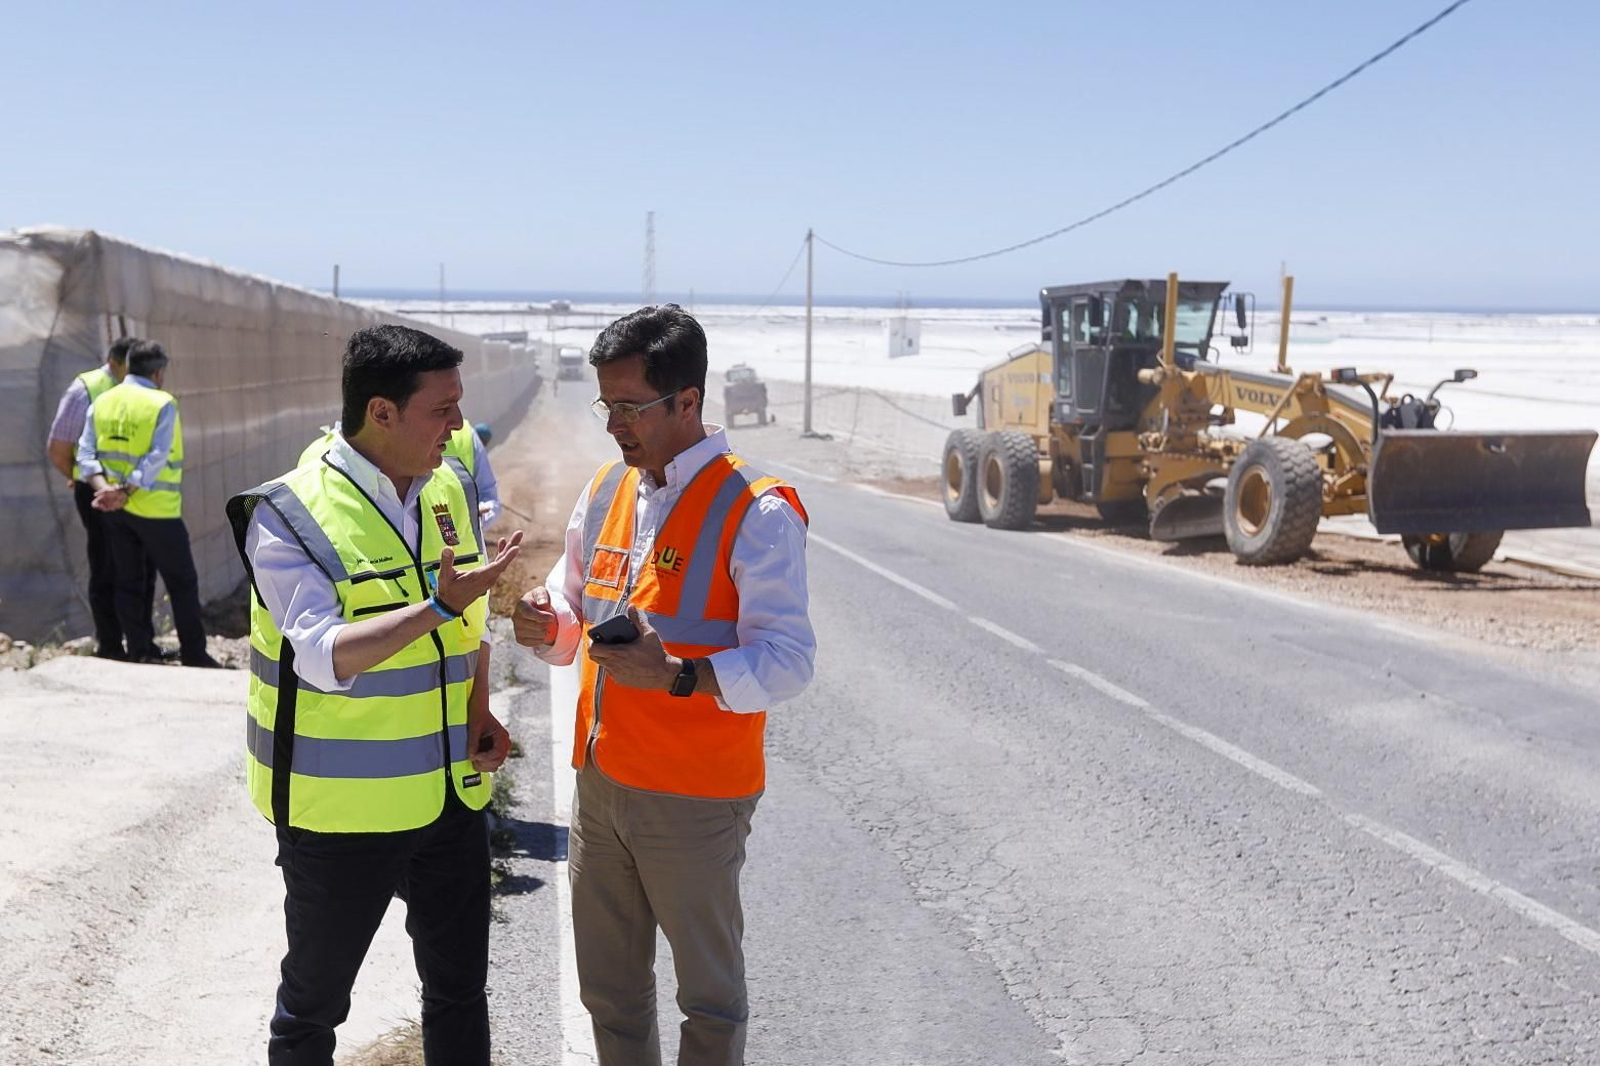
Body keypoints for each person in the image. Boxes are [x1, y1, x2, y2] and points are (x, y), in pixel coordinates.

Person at [512, 304, 815, 1065]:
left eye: (630, 406)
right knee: (609, 994)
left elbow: (788, 658)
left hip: (696, 795)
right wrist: (545, 623)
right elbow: (573, 605)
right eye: (606, 404)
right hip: (602, 781)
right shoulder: (608, 490)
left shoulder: (757, 509)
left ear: (688, 401)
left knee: (708, 1002)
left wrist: (679, 676)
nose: (615, 423)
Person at [226, 324, 523, 1066]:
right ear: (381, 412)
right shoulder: (286, 513)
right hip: (343, 814)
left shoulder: (446, 486)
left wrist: (480, 705)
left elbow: (472, 621)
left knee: (459, 993)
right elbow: (323, 657)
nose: (458, 425)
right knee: (315, 1009)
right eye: (442, 409)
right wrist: (437, 606)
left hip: (451, 798)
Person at [75, 340, 219, 668]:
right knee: (182, 581)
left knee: (129, 581)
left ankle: (139, 649)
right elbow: (157, 456)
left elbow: (85, 454)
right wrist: (124, 490)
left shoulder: (102, 401)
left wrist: (104, 489)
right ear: (157, 372)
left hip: (116, 510)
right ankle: (194, 653)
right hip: (156, 510)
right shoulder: (162, 403)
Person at [45, 336, 158, 660]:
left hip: (132, 492)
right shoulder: (85, 389)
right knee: (107, 566)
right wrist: (76, 477)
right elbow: (58, 447)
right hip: (97, 494)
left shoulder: (136, 391)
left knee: (139, 568)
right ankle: (110, 645)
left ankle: (141, 643)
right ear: (118, 363)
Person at [302, 419, 501, 527]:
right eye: (439, 408)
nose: (455, 420)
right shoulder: (316, 457)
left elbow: (489, 497)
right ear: (381, 411)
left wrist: (471, 518)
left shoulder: (465, 437)